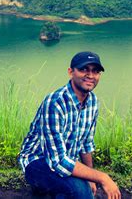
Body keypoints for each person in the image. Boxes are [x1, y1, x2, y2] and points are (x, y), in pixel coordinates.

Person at [18, 51, 121, 199]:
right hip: (38, 161)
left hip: (64, 159)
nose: (90, 75)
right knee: (81, 193)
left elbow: (86, 143)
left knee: (80, 189)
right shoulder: (55, 103)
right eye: (84, 69)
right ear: (70, 72)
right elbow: (58, 161)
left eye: (95, 71)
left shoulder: (92, 102)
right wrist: (102, 177)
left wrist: (90, 178)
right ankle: (41, 187)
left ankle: (47, 193)